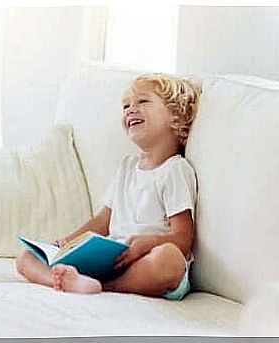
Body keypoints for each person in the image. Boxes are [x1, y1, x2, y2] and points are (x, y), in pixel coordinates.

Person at [16, 73, 201, 300]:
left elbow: (183, 238)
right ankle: (62, 280)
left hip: (146, 261)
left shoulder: (175, 170)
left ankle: (107, 287)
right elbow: (102, 221)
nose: (130, 110)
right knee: (26, 257)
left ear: (175, 117)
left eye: (142, 101)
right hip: (112, 259)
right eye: (126, 106)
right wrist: (67, 243)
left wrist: (147, 244)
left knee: (169, 258)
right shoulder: (127, 167)